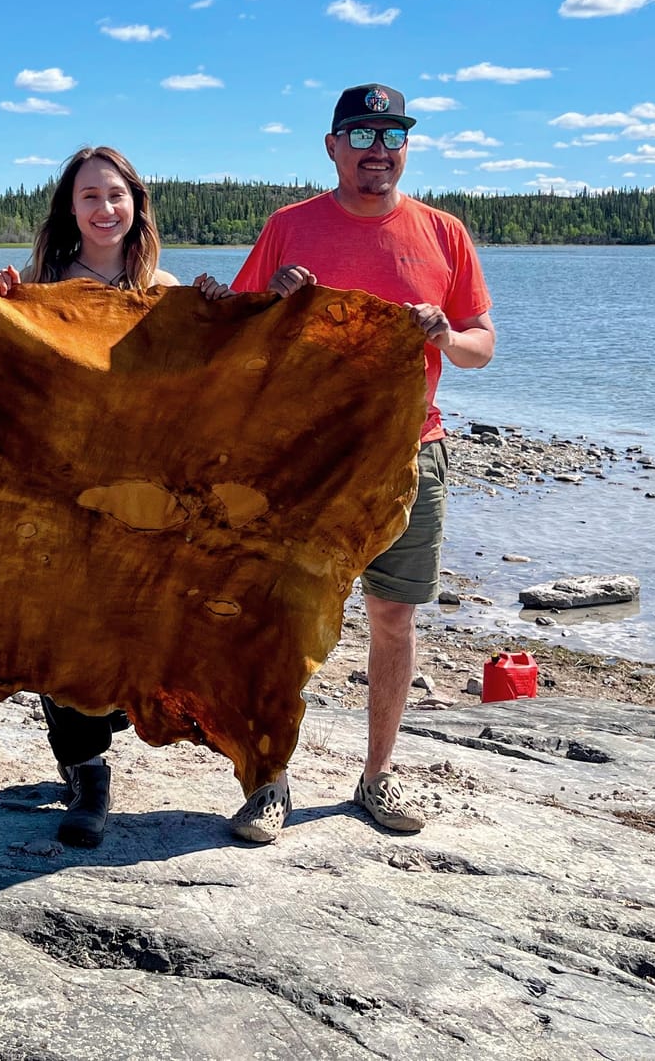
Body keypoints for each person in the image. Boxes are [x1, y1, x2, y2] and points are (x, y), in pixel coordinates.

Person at [196, 83, 493, 844]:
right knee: (282, 618)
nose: (378, 151)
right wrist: (279, 303)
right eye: (360, 135)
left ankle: (376, 776)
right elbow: (236, 331)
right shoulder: (291, 227)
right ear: (331, 147)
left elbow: (480, 344)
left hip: (410, 454)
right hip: (303, 459)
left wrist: (441, 339)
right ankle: (269, 781)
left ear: (406, 147)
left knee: (393, 618)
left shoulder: (443, 233)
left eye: (392, 135)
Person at [0, 146, 178, 848]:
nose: (104, 209)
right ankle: (86, 774)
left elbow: (203, 385)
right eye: (90, 196)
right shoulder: (40, 283)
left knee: (134, 629)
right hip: (56, 487)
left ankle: (114, 719)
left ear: (136, 205)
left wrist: (219, 311)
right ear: (71, 207)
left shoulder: (163, 287)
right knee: (57, 629)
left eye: (116, 196)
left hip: (140, 492)